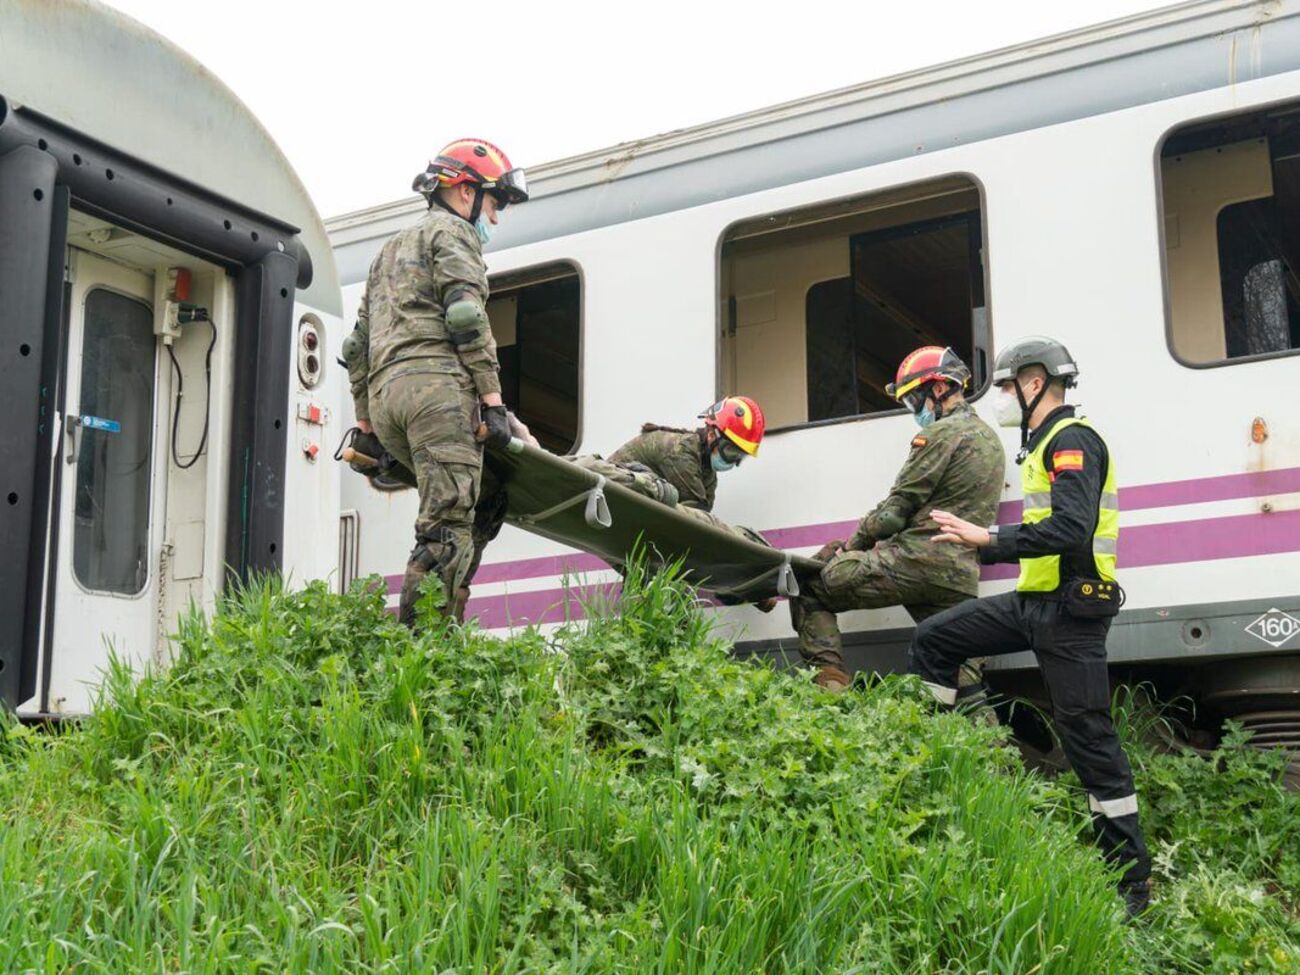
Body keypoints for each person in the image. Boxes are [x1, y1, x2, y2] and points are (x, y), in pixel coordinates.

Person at [908, 336, 1151, 917]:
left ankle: (1131, 885)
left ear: (1035, 383)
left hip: (1072, 614)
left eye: (1006, 385)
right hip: (1035, 603)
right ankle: (937, 757)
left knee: (1088, 741)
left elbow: (1071, 528)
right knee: (933, 639)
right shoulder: (1042, 442)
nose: (999, 396)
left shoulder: (1073, 440)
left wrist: (988, 539)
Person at [341, 138, 529, 626]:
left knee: (486, 497)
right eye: (495, 204)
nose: (496, 218)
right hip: (436, 396)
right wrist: (492, 402)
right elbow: (465, 317)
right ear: (466, 192)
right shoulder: (453, 233)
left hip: (388, 402)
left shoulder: (387, 251)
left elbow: (355, 347)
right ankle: (420, 652)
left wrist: (366, 423)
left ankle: (449, 621)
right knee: (445, 529)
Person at [790, 347, 1004, 693]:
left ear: (938, 388)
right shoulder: (990, 439)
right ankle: (981, 726)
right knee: (960, 671)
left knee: (809, 587)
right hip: (959, 575)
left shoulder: (939, 434)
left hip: (914, 563)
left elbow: (893, 514)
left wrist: (850, 547)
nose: (914, 410)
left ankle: (830, 691)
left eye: (913, 399)